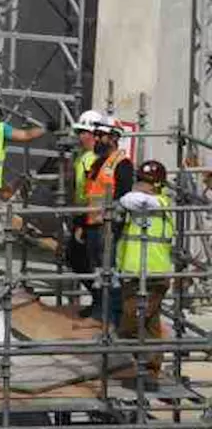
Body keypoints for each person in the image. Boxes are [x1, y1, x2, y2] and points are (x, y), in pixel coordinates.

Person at [116, 159, 173, 390]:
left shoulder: (160, 202)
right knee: (150, 324)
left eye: (145, 181)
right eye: (138, 180)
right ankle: (151, 373)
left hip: (154, 275)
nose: (140, 185)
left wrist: (135, 192)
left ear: (157, 185)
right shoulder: (143, 203)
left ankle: (147, 366)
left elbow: (130, 199)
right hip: (133, 273)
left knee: (130, 325)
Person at [78, 115, 135, 320]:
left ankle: (112, 314)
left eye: (101, 135)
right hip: (93, 223)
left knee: (108, 270)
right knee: (96, 271)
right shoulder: (97, 163)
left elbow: (124, 197)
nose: (97, 138)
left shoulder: (123, 163)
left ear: (113, 138)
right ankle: (99, 308)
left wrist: (113, 222)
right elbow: (90, 195)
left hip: (110, 226)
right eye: (96, 134)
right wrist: (81, 225)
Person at [65, 109, 103, 310]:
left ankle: (100, 302)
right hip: (83, 214)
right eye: (79, 132)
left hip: (91, 218)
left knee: (82, 259)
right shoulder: (83, 156)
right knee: (77, 258)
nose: (80, 136)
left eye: (84, 132)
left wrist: (82, 223)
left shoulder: (94, 159)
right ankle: (99, 301)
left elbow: (93, 193)